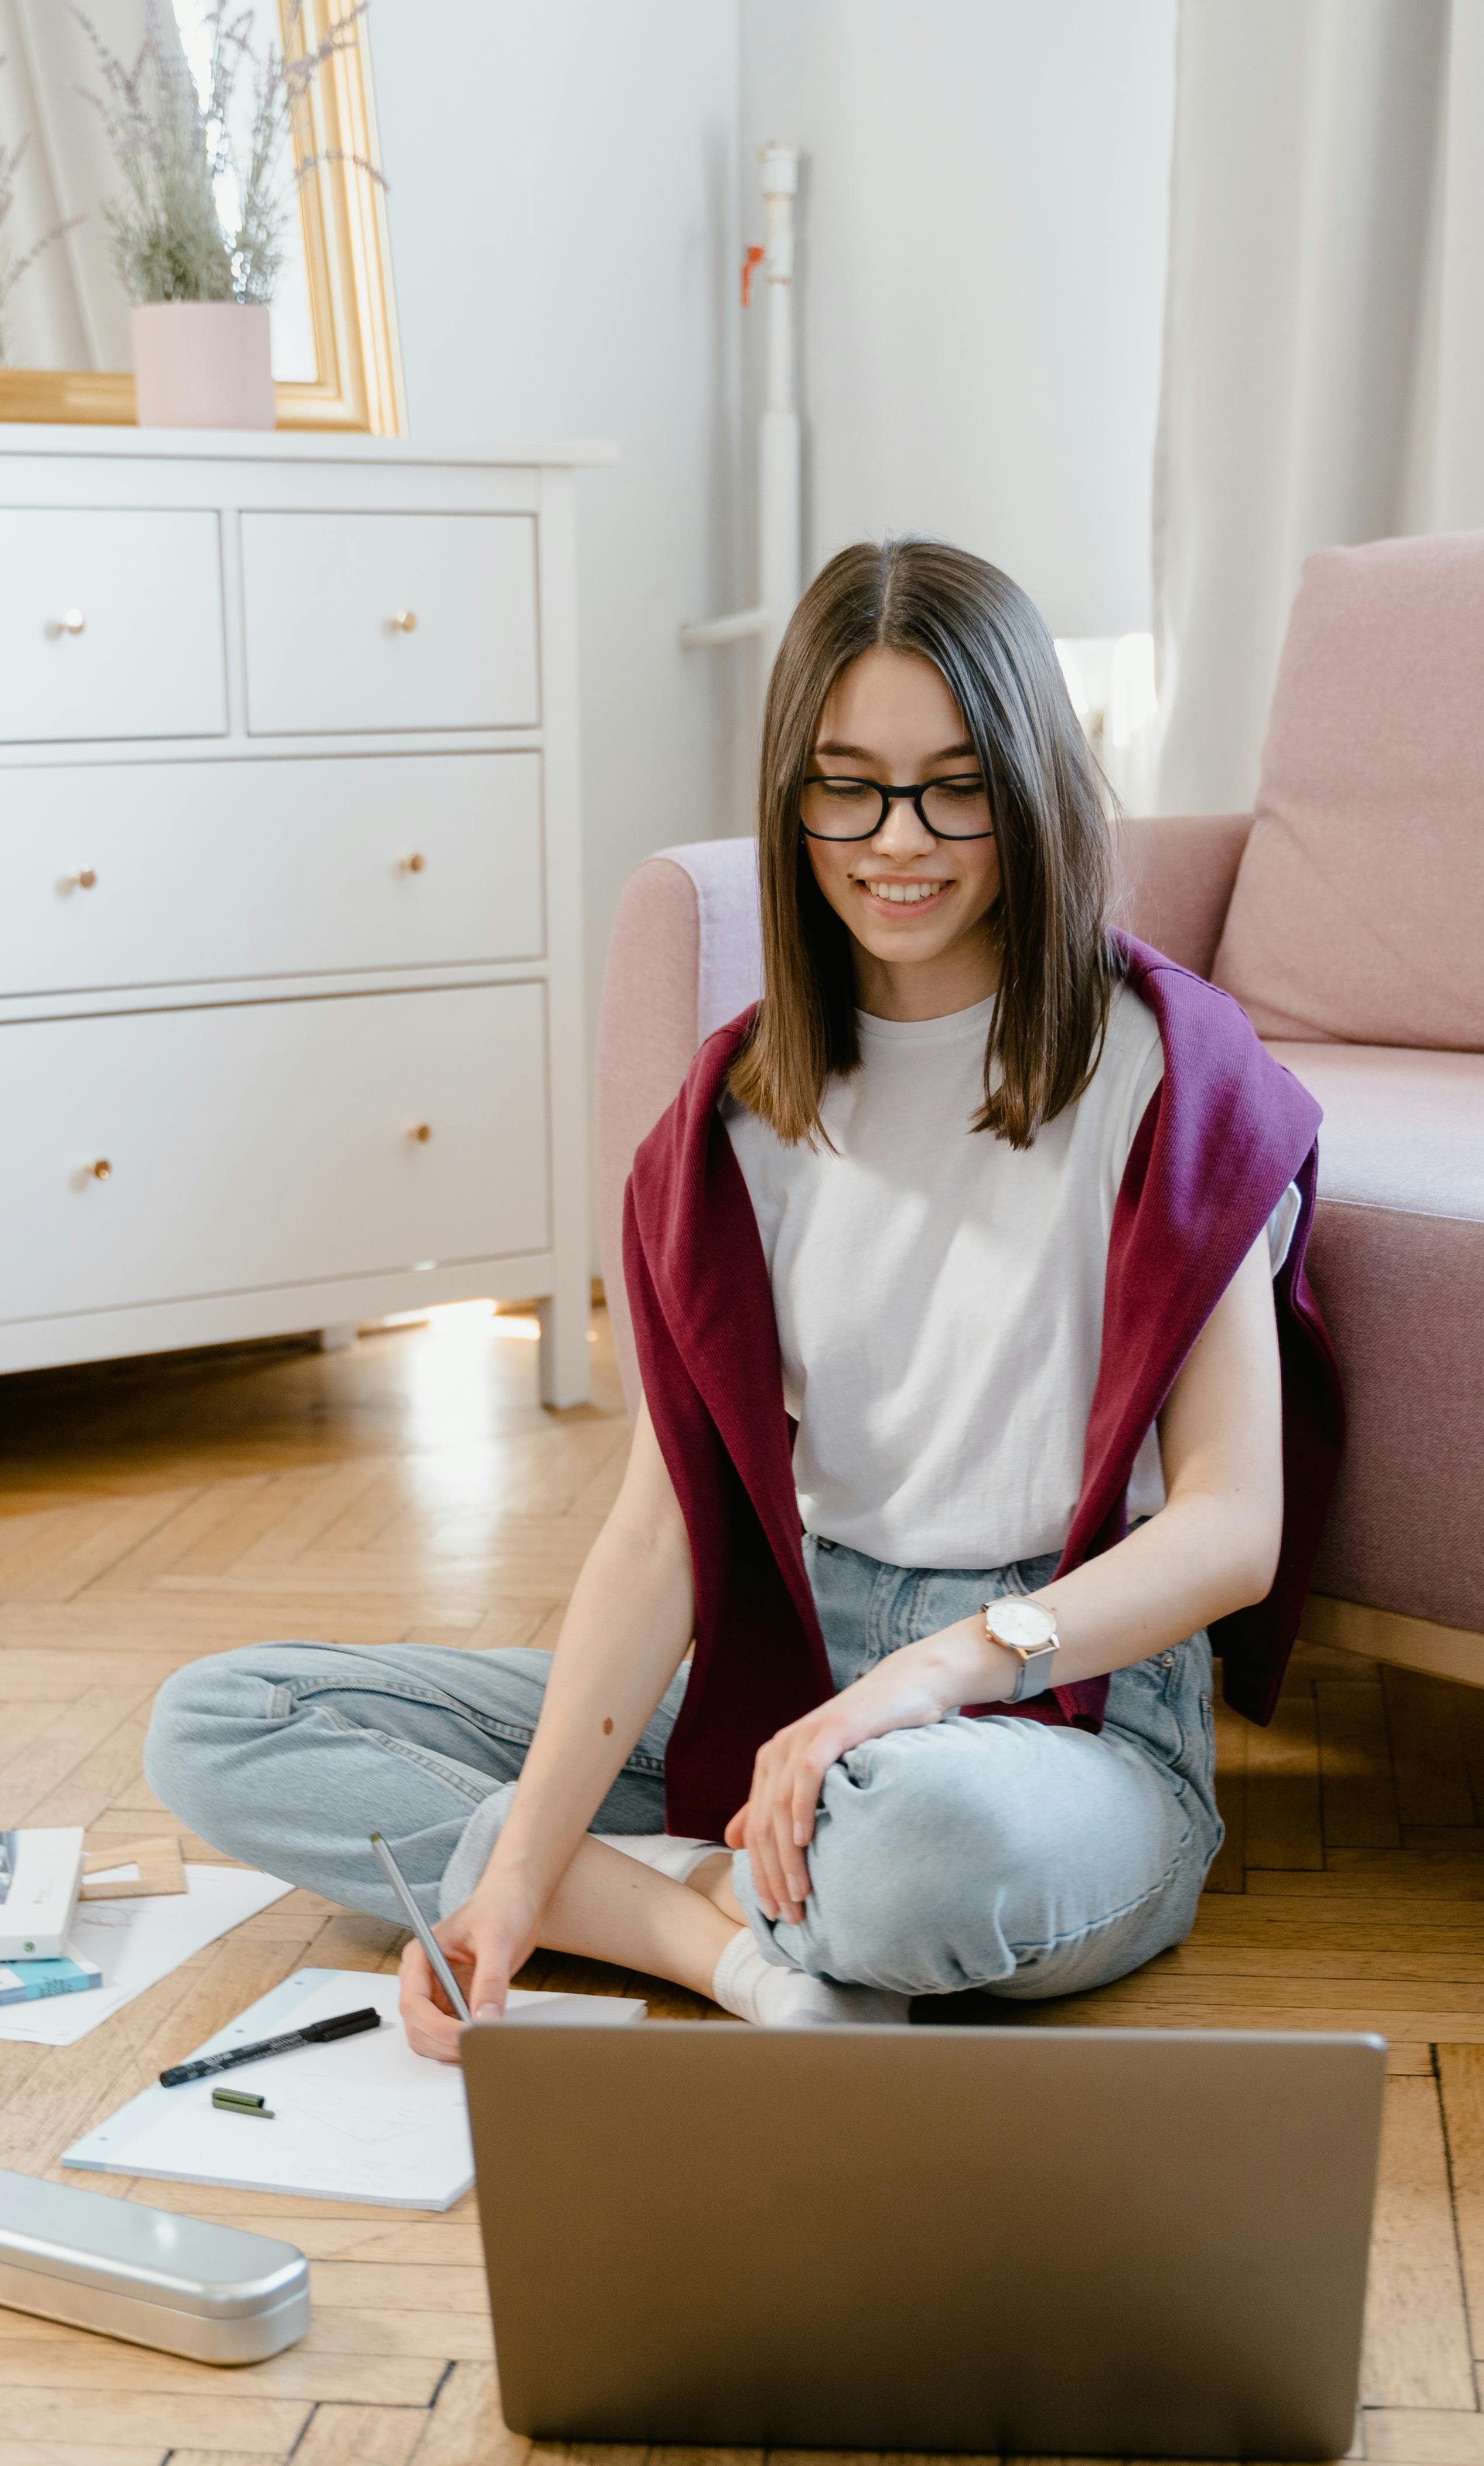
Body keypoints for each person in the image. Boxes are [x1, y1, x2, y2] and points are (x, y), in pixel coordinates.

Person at [145, 539, 1340, 2061]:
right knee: (223, 1720)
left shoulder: (1166, 1075)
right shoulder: (736, 1116)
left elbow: (1232, 1530)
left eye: (952, 783)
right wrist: (514, 1884)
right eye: (846, 783)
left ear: (1029, 784)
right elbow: (660, 1532)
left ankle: (699, 1888)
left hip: (1059, 1701)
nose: (894, 839)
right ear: (790, 796)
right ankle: (709, 1938)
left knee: (923, 1856)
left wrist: (931, 1676)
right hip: (775, 1668)